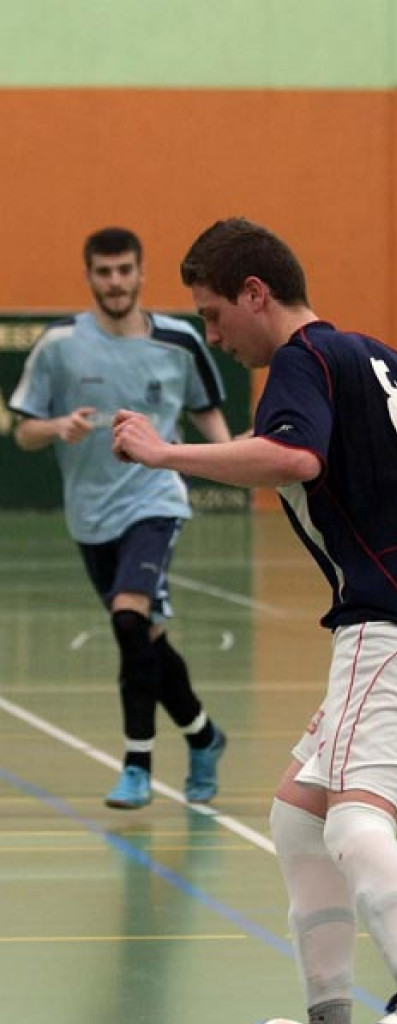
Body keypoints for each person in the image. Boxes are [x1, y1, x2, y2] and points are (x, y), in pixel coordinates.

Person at [111, 217, 397, 1024]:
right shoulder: (393, 363)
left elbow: (292, 456)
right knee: (299, 816)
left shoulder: (300, 362)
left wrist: (165, 453)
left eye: (217, 314)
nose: (216, 337)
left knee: (350, 822)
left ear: (257, 294)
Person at [10, 227, 230, 810]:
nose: (115, 282)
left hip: (155, 501)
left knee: (130, 623)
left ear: (141, 272)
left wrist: (235, 462)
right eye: (104, 273)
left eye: (124, 270)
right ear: (89, 277)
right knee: (148, 638)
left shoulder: (180, 341)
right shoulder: (58, 346)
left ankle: (137, 764)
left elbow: (208, 413)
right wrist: (58, 427)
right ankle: (205, 735)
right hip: (91, 515)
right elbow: (23, 429)